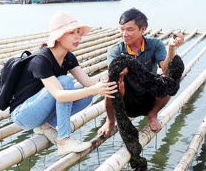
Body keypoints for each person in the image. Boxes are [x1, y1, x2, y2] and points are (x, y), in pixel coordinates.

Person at [10, 11, 118, 156]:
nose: (78, 37)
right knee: (66, 82)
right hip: (24, 114)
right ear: (58, 37)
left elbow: (86, 81)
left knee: (87, 96)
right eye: (71, 33)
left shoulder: (68, 57)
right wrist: (92, 90)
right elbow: (59, 95)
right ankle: (64, 140)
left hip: (41, 112)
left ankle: (45, 126)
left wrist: (105, 79)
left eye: (78, 32)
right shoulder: (41, 59)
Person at [97, 8, 184, 137]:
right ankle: (110, 121)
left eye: (130, 29)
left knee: (170, 79)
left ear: (142, 29)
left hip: (149, 97)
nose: (124, 34)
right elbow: (114, 74)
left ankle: (153, 114)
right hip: (126, 99)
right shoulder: (115, 50)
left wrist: (171, 48)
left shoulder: (155, 44)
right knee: (110, 82)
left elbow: (165, 68)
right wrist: (120, 74)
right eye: (122, 29)